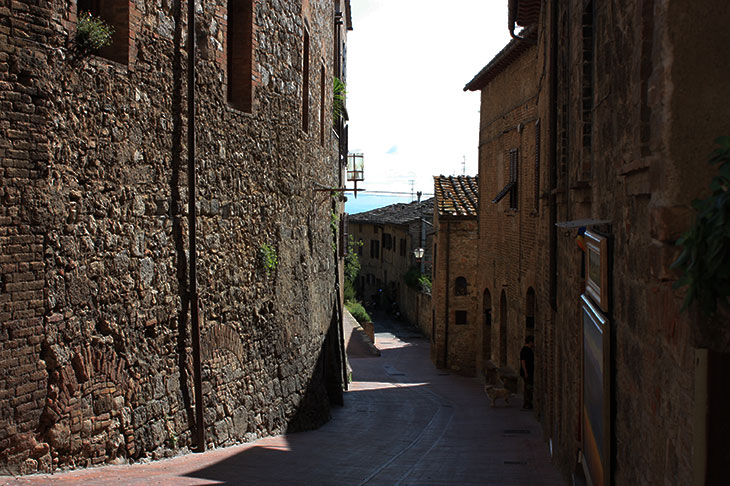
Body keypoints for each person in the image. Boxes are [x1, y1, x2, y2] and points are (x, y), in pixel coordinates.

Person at [520, 335, 535, 409]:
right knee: (528, 387)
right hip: (527, 372)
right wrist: (525, 372)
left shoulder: (529, 349)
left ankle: (528, 403)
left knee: (529, 387)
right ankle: (527, 403)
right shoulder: (525, 350)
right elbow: (523, 361)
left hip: (529, 372)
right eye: (533, 342)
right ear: (530, 342)